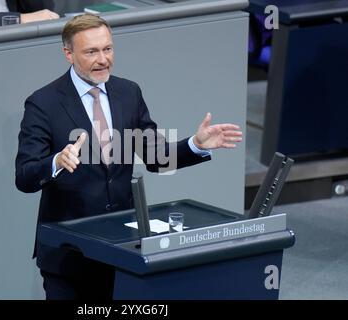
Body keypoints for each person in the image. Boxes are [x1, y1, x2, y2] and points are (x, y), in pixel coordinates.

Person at [15, 13, 243, 300]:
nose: (103, 59)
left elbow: (156, 158)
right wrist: (56, 162)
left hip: (122, 250)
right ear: (68, 54)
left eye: (108, 49)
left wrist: (196, 143)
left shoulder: (128, 92)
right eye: (91, 51)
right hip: (69, 256)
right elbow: (24, 177)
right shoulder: (44, 103)